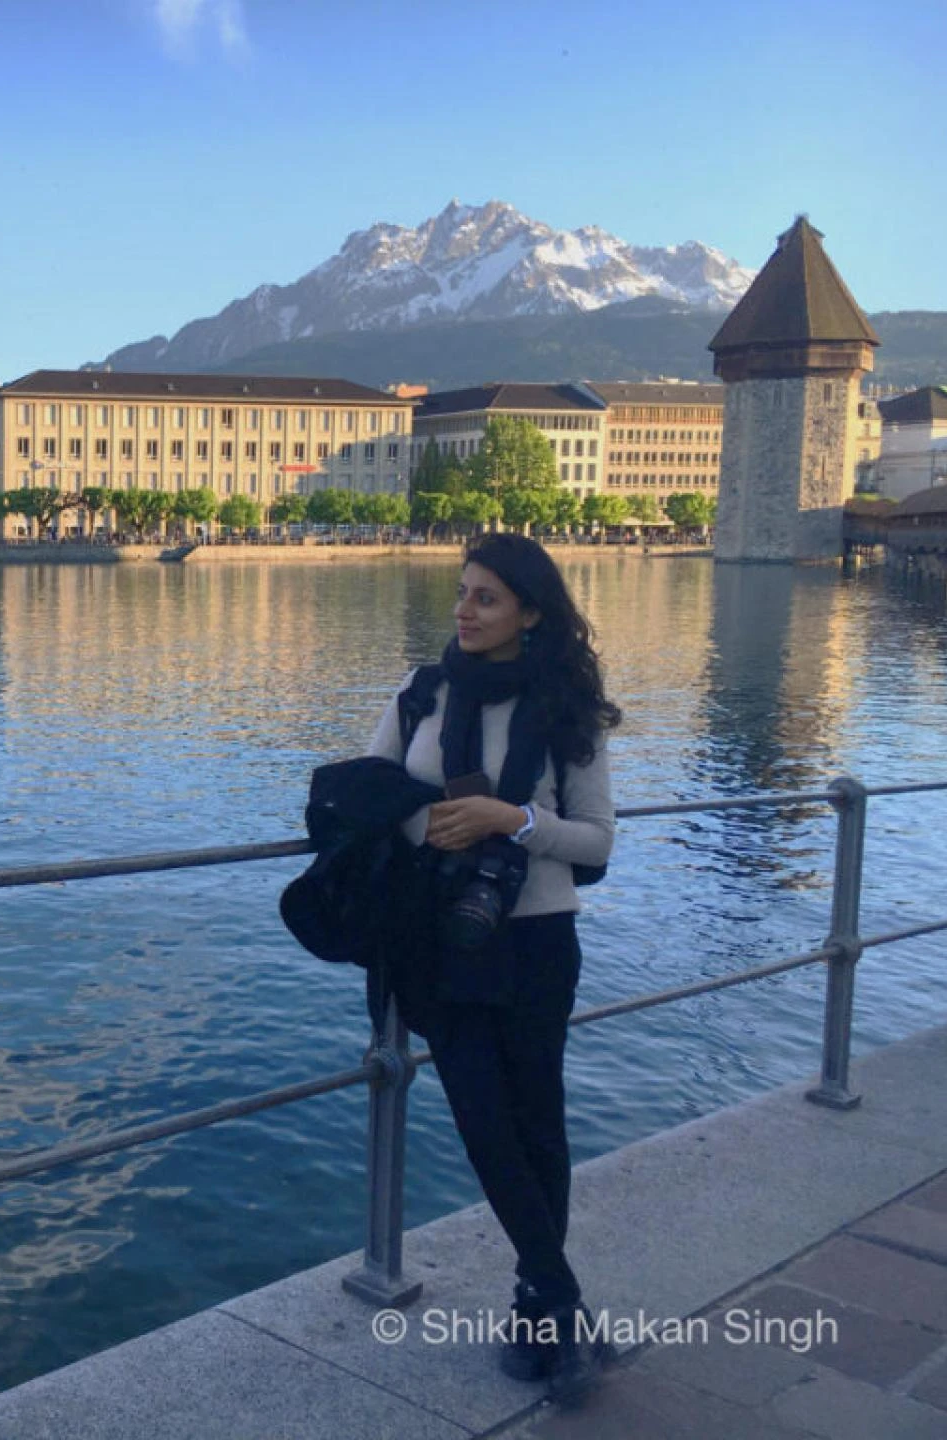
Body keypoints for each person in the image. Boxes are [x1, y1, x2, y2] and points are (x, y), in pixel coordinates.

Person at [366, 532, 619, 1404]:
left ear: (530, 613)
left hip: (539, 938)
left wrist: (510, 821)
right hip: (439, 941)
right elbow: (369, 798)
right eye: (463, 592)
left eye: (486, 598)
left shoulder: (568, 711)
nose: (464, 611)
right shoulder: (421, 693)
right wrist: (432, 825)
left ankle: (534, 1309)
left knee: (538, 1123)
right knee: (483, 1120)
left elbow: (596, 843)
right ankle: (564, 1304)